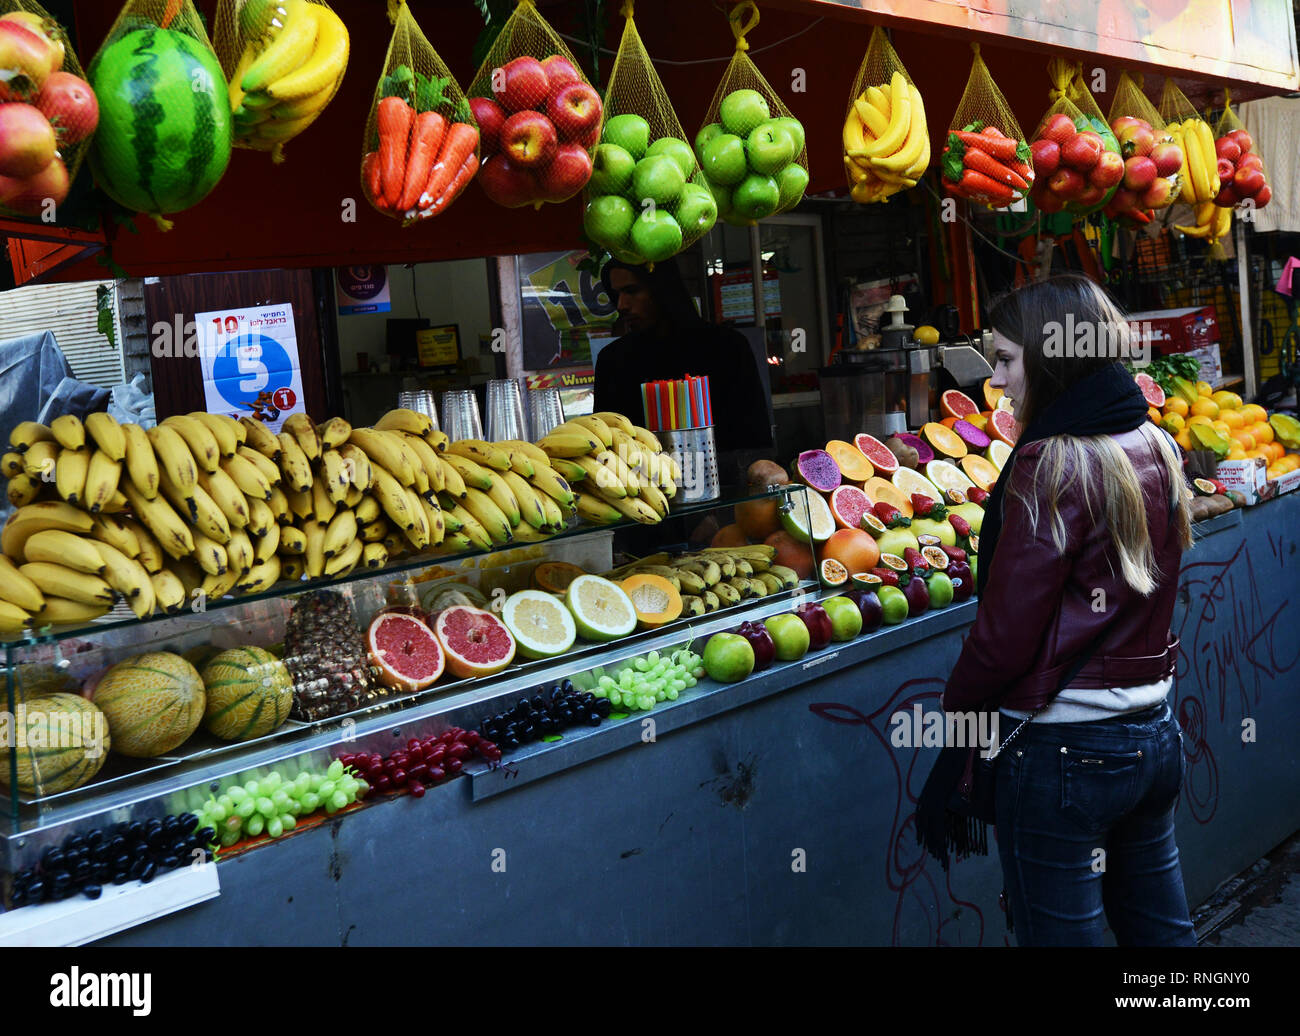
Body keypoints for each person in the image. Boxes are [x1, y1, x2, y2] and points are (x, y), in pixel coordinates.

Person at [919, 274, 1196, 947]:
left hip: (1063, 753)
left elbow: (1004, 640)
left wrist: (957, 718)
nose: (1000, 382)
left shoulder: (1051, 462)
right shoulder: (1152, 443)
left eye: (1008, 360)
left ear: (1052, 358)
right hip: (1153, 732)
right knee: (1163, 937)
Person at [593, 258, 774, 458]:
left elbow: (755, 440)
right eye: (616, 294)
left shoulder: (726, 347)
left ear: (662, 289)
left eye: (632, 291)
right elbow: (607, 447)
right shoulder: (613, 360)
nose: (621, 305)